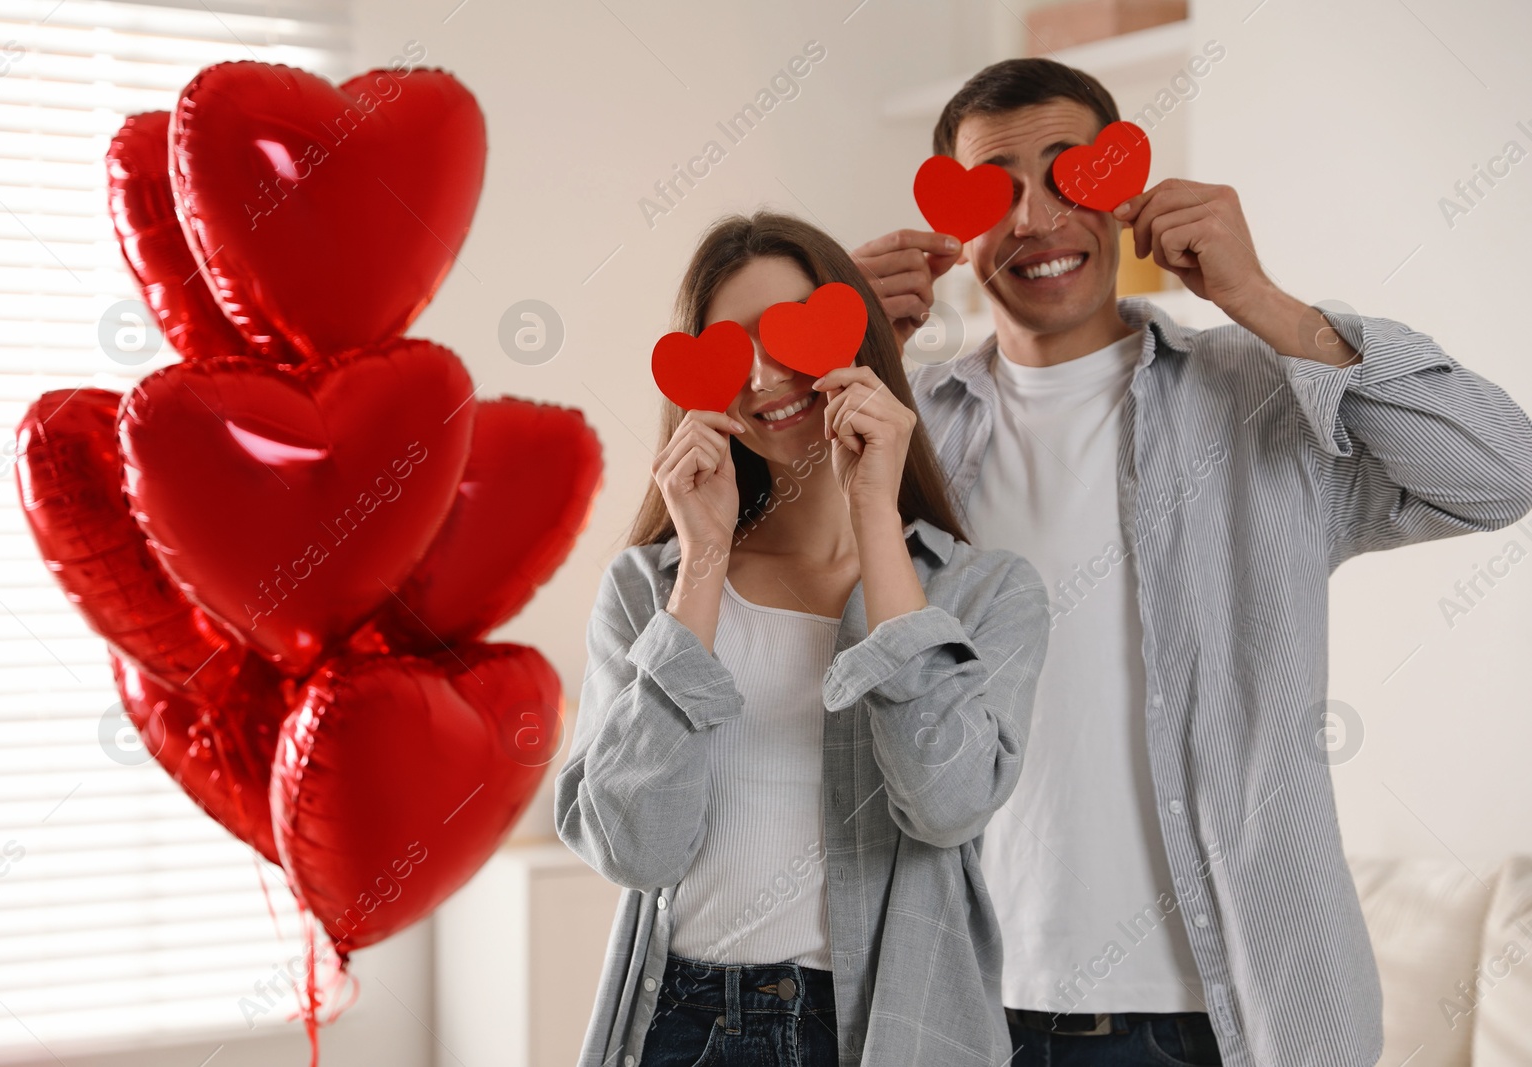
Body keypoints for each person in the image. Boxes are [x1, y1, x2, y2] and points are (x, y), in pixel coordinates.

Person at [852, 57, 1532, 1067]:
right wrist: (845, 358)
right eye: (995, 188)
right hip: (960, 1011)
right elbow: (760, 603)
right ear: (955, 228)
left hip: (1223, 1018)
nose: (1035, 218)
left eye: (1068, 173)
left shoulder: (1258, 398)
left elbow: (1499, 472)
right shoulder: (899, 434)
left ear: (1121, 189)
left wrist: (1259, 296)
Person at [556, 211, 1051, 1067]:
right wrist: (703, 560)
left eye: (787, 332)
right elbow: (636, 848)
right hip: (682, 1021)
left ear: (854, 338)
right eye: (726, 349)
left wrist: (875, 519)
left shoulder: (987, 591)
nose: (760, 373)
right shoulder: (648, 588)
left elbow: (947, 804)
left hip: (877, 1027)